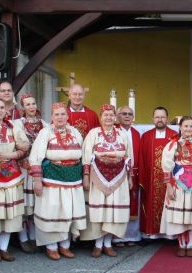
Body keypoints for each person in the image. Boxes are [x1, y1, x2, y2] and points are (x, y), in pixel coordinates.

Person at [29, 102, 86, 260]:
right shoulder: (45, 132)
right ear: (52, 117)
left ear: (67, 116)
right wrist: (37, 181)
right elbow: (35, 158)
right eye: (56, 114)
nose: (60, 117)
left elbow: (82, 154)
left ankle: (65, 245)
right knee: (53, 211)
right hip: (52, 178)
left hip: (73, 179)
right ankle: (51, 246)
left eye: (63, 114)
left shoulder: (74, 131)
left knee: (68, 211)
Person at [81, 104, 132, 257]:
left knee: (113, 211)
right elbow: (86, 156)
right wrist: (86, 175)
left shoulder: (122, 134)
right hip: (98, 177)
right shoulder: (93, 133)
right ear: (101, 117)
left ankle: (108, 243)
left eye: (111, 115)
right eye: (105, 115)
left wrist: (130, 177)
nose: (108, 117)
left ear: (115, 117)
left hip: (119, 177)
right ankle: (97, 244)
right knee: (100, 210)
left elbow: (129, 157)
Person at [0, 98, 30, 262]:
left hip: (11, 175)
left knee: (10, 212)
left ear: (6, 110)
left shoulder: (13, 127)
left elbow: (24, 146)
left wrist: (13, 155)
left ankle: (4, 248)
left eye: (2, 107)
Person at [161, 116, 192, 257]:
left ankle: (190, 245)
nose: (188, 129)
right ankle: (181, 244)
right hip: (178, 184)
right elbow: (166, 166)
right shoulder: (172, 144)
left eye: (191, 126)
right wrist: (168, 187)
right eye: (186, 126)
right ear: (180, 127)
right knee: (180, 217)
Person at [12, 94, 49, 253]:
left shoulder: (44, 124)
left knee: (35, 203)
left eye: (33, 103)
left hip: (38, 168)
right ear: (23, 107)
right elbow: (15, 144)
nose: (31, 107)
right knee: (24, 204)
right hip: (23, 168)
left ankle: (33, 236)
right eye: (28, 104)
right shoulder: (17, 124)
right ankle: (23, 237)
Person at [138, 107, 178, 238]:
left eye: (162, 117)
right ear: (153, 119)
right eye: (157, 117)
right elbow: (141, 159)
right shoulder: (146, 136)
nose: (160, 120)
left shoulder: (174, 136)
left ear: (167, 118)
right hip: (151, 180)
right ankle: (152, 235)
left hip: (170, 180)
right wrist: (142, 178)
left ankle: (170, 235)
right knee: (151, 204)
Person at [113, 106, 141, 247]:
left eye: (130, 114)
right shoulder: (114, 131)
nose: (127, 116)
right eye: (124, 114)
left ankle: (132, 236)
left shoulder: (136, 133)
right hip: (118, 173)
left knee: (133, 203)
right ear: (118, 116)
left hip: (134, 172)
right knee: (120, 203)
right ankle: (118, 237)